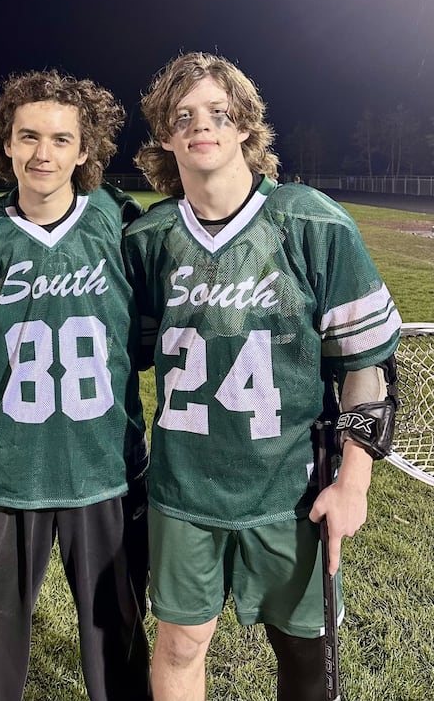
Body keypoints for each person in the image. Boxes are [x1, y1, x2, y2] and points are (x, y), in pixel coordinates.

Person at [123, 52, 401, 701]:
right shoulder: (152, 238)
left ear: (244, 124)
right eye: (183, 115)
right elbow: (126, 353)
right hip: (184, 490)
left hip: (289, 491)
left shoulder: (308, 221)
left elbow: (367, 364)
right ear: (165, 135)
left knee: (304, 656)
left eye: (219, 112)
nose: (202, 126)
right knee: (180, 642)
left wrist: (353, 483)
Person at [0, 70, 151, 701]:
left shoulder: (120, 224)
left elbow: (165, 330)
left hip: (104, 468)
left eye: (61, 140)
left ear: (85, 149)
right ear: (3, 144)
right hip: (8, 469)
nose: (43, 153)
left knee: (118, 649)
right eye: (28, 137)